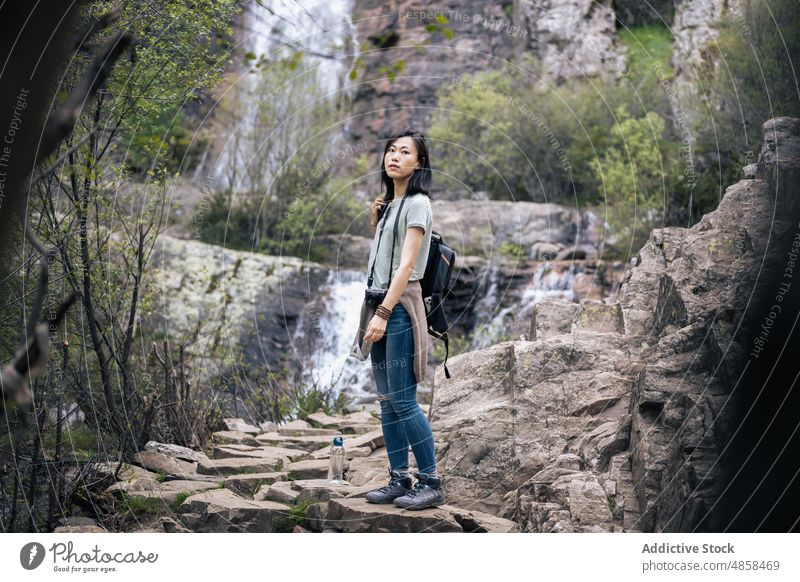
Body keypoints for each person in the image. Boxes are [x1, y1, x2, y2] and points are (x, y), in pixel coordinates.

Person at [362, 127, 445, 510]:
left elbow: (408, 264)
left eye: (405, 152)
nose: (394, 157)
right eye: (390, 150)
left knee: (404, 400)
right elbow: (383, 261)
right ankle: (399, 479)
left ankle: (431, 482)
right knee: (386, 401)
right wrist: (376, 221)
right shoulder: (390, 205)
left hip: (398, 310)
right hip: (378, 301)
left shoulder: (417, 204)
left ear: (420, 163)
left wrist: (382, 313)